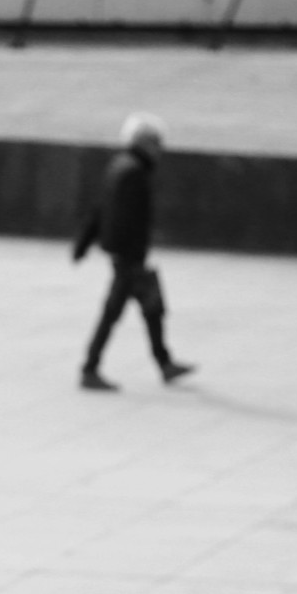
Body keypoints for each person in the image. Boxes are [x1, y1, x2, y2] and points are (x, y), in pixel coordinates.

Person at [72, 112, 194, 390]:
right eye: (156, 142)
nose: (160, 149)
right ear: (144, 142)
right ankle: (90, 369)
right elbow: (118, 216)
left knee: (151, 309)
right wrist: (129, 256)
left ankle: (164, 363)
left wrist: (84, 243)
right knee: (116, 312)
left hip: (126, 256)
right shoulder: (133, 173)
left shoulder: (121, 166)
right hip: (129, 258)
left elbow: (99, 208)